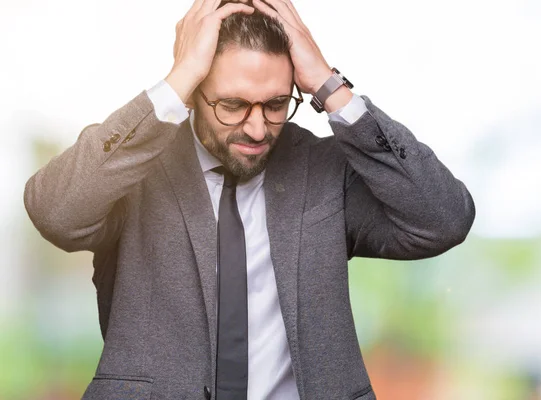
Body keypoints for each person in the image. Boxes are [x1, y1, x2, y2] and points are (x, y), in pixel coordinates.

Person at [24, 0, 475, 399]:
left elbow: (444, 219)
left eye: (276, 104)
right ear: (195, 94)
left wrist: (328, 83)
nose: (257, 129)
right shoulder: (133, 166)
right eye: (233, 105)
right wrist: (176, 79)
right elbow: (55, 213)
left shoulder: (324, 171)